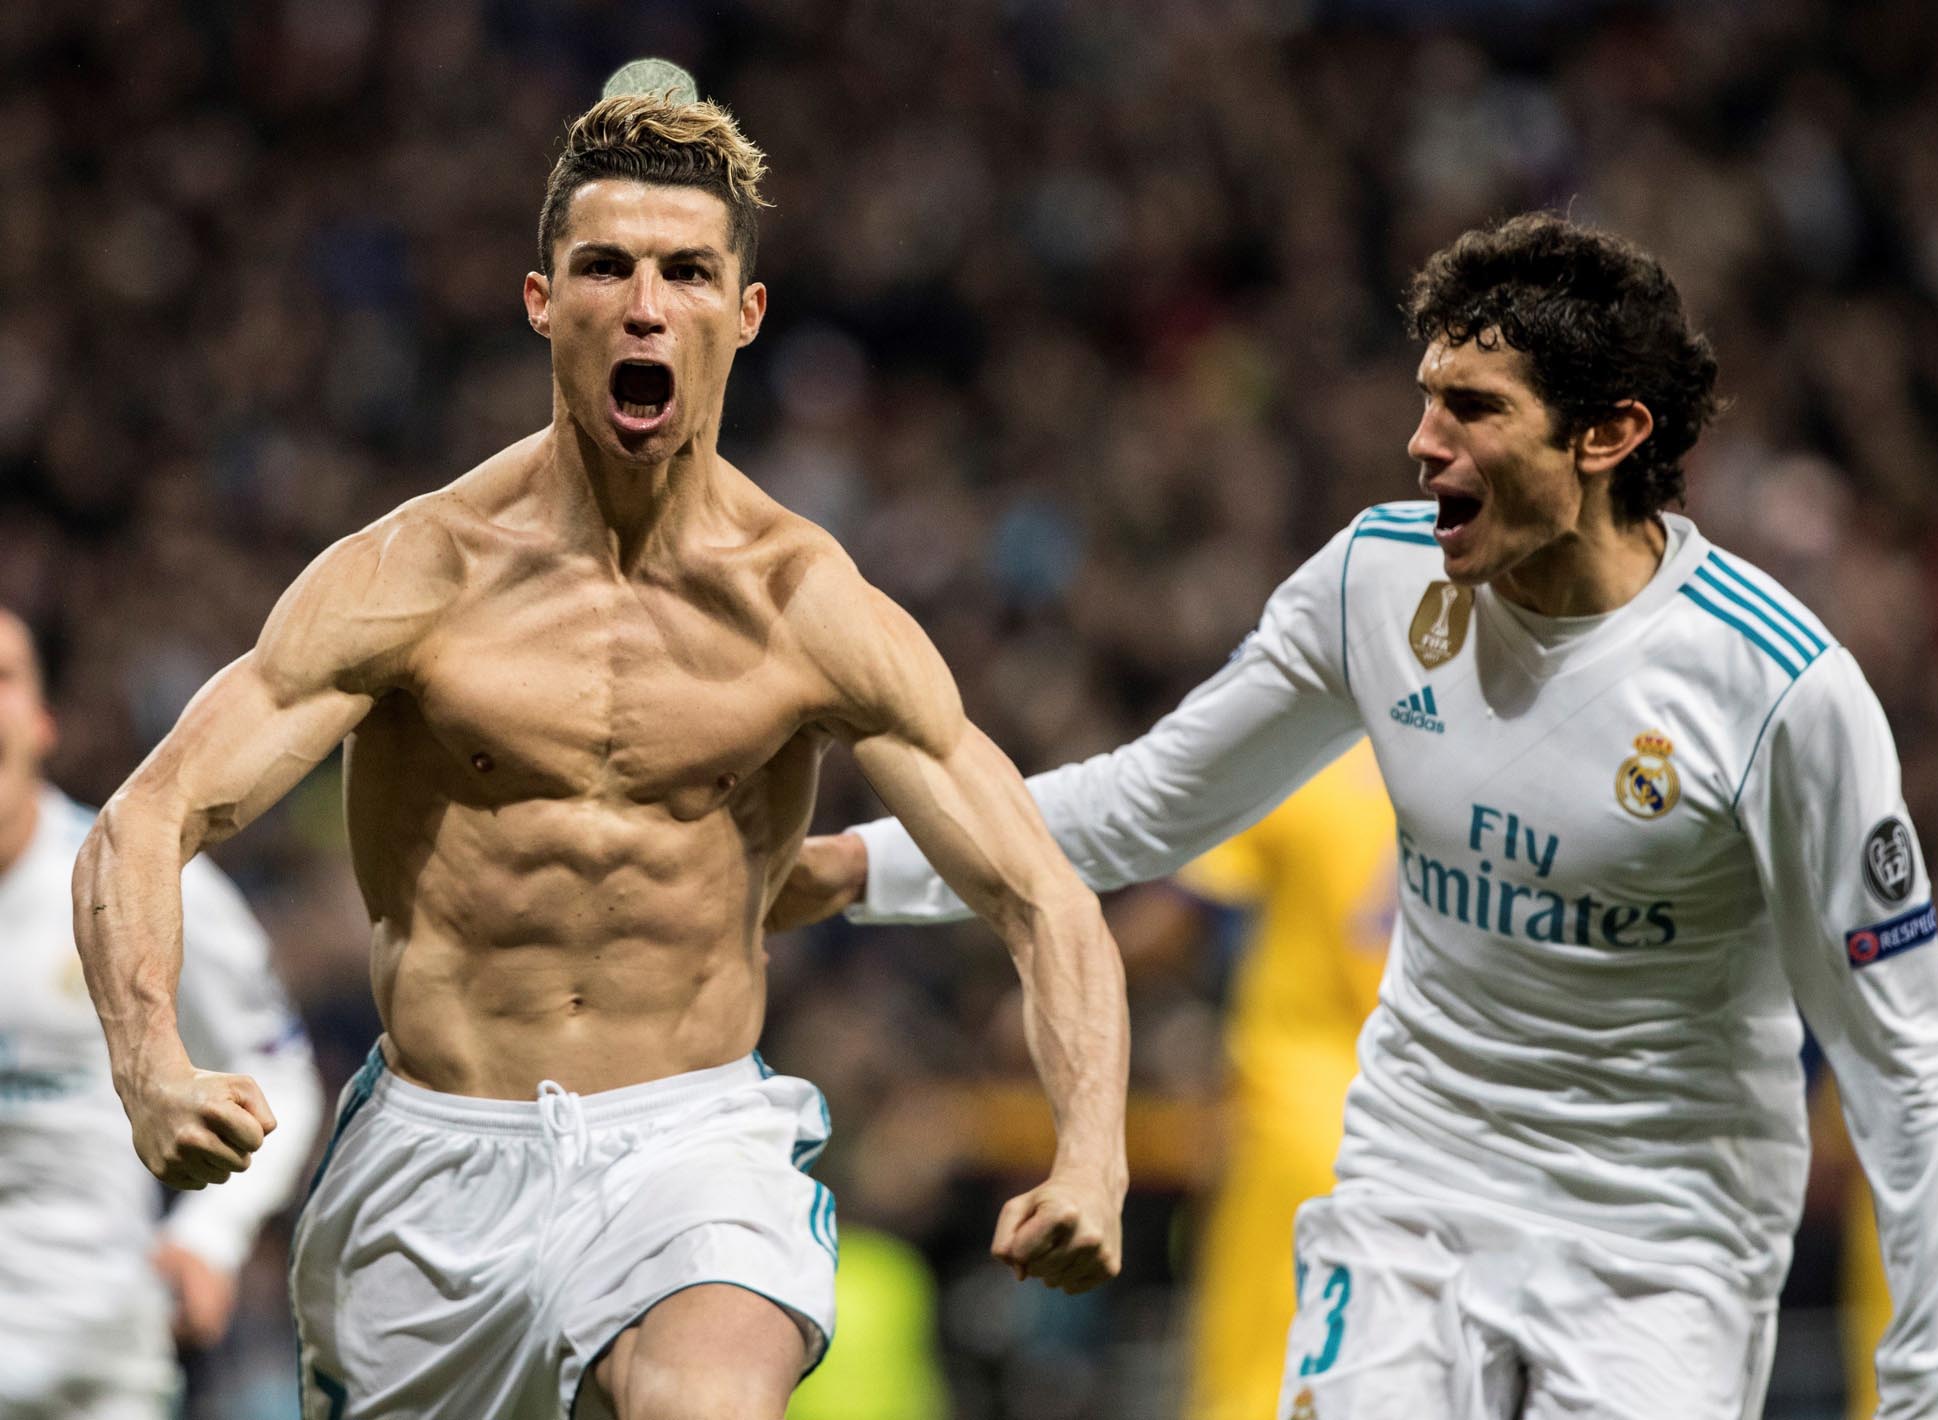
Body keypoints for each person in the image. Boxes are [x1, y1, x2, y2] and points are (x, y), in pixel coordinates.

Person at [772, 213, 1938, 1417]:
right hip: (1416, 1187)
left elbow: (1905, 1061)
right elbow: (1146, 803)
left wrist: (1930, 1386)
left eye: (1474, 409)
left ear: (1609, 434)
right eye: (1426, 396)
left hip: (1663, 1237)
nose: (1421, 442)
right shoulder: (1376, 583)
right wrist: (860, 864)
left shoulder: (1781, 693)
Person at [71, 79, 1129, 1420]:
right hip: (436, 1167)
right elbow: (148, 817)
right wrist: (151, 1064)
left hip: (691, 1145)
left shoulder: (809, 607)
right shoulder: (417, 575)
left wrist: (1093, 1156)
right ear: (541, 300)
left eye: (688, 272)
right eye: (605, 268)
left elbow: (1039, 892)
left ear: (742, 317)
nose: (645, 305)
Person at [0, 608, 320, 1420]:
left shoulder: (129, 887)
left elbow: (279, 1065)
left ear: (43, 722)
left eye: (1, 679)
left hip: (95, 1370)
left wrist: (209, 1235)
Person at [1123, 742, 1395, 1420]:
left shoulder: (1314, 753)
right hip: (1432, 1131)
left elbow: (1177, 917)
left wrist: (1044, 975)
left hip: (1299, 1125)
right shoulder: (1479, 768)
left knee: (1254, 1386)